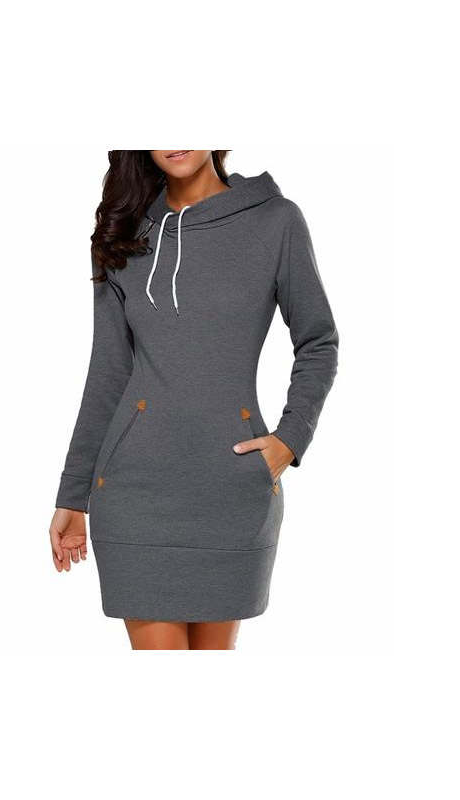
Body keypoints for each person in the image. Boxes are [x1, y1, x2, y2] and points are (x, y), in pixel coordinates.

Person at [49, 151, 339, 649]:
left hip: (230, 487)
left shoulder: (275, 221)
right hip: (135, 492)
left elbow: (318, 341)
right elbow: (109, 372)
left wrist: (290, 439)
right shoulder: (124, 233)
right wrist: (73, 494)